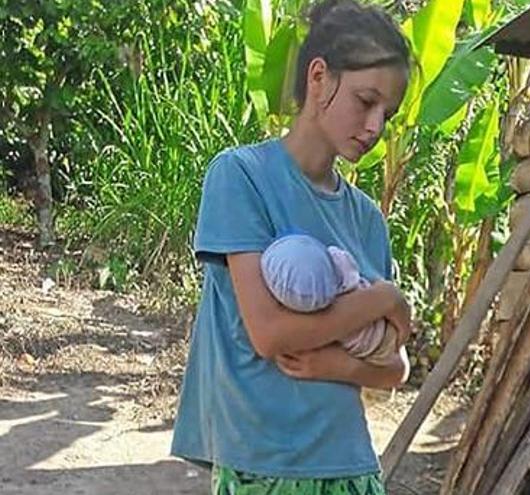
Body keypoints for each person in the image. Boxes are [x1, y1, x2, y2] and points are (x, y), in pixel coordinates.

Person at [170, 0, 413, 493]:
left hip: (351, 467)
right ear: (319, 77)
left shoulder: (367, 219)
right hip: (264, 466)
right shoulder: (241, 177)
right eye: (366, 101)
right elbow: (271, 333)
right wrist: (385, 298)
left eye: (386, 113)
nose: (375, 127)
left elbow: (395, 363)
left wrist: (339, 365)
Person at [260, 232, 399, 366]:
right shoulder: (342, 278)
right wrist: (386, 298)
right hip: (383, 336)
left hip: (368, 347)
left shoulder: (308, 316)